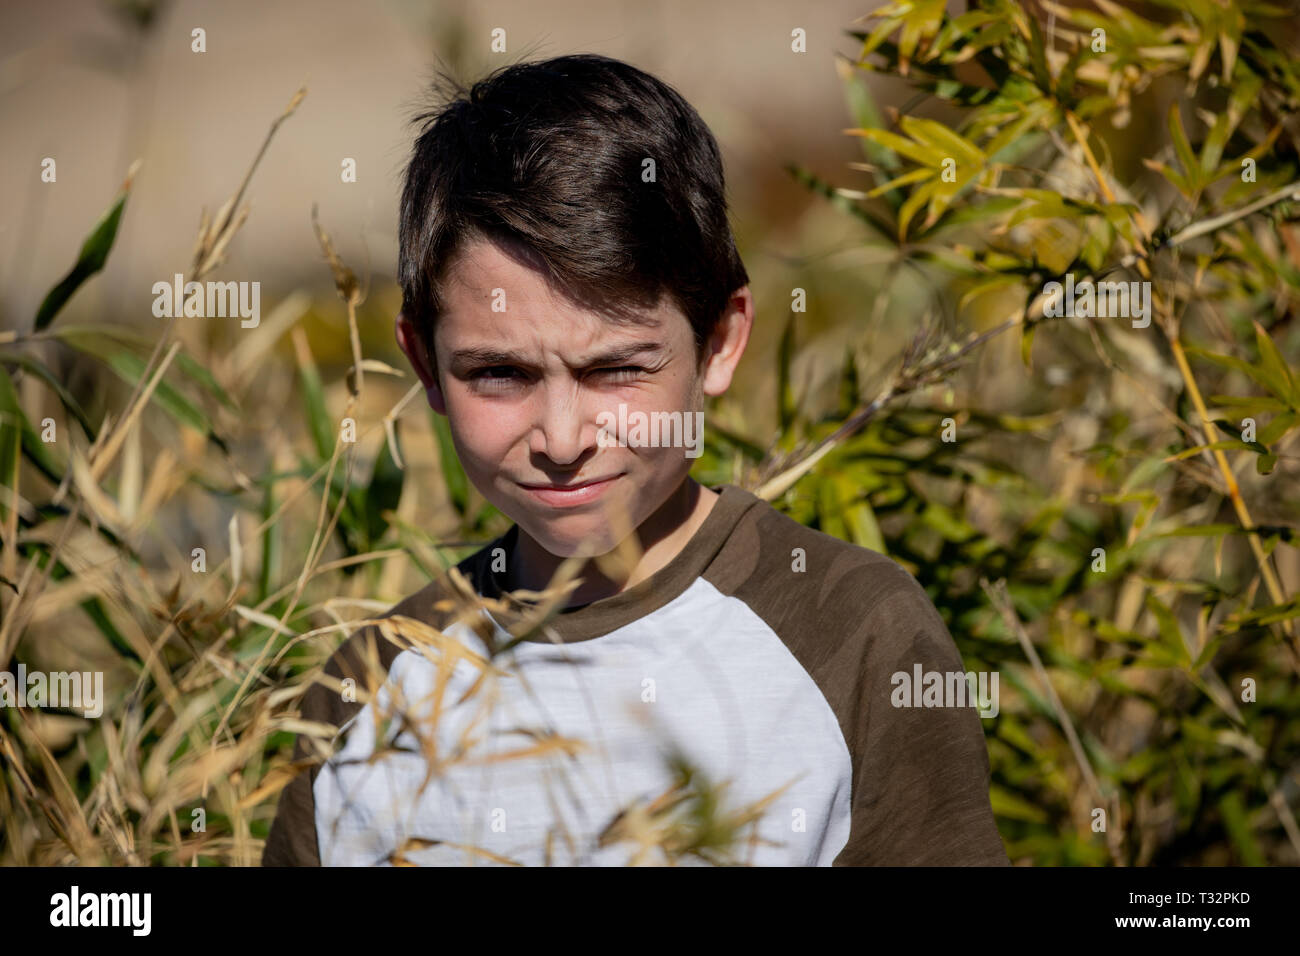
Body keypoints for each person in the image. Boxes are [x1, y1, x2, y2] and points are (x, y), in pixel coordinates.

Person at [263, 53, 1008, 867]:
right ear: (424, 367)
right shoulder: (373, 687)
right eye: (499, 374)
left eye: (616, 369)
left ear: (719, 342)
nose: (561, 438)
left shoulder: (853, 632)